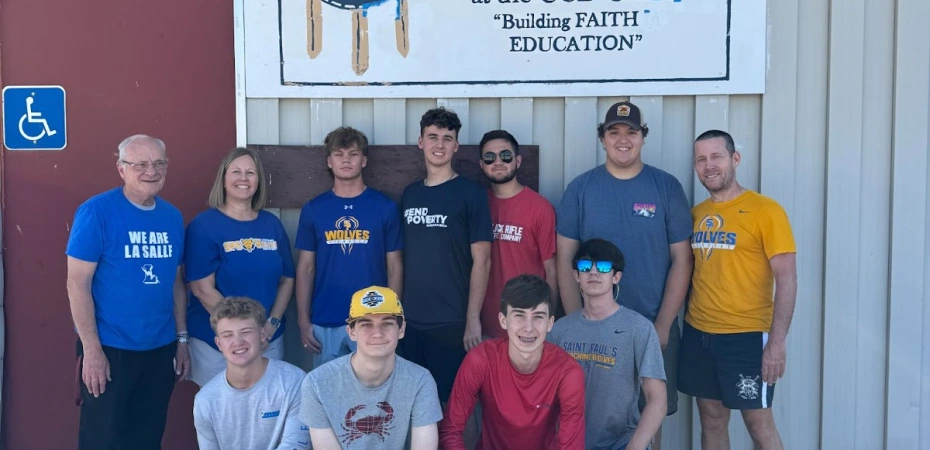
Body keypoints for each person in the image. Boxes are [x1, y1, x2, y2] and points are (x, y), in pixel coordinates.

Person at [555, 101, 692, 445]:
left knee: (651, 415)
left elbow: (683, 260)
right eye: (614, 131)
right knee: (586, 414)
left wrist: (662, 325)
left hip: (651, 323)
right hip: (591, 325)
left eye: (631, 131)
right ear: (602, 138)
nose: (623, 139)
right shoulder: (581, 188)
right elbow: (565, 258)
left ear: (643, 137)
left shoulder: (666, 187)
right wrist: (575, 321)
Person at [66, 134, 191, 449]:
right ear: (121, 169)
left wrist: (182, 340)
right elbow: (77, 283)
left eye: (159, 163)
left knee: (147, 438)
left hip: (159, 348)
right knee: (103, 439)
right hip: (110, 349)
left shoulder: (172, 217)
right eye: (140, 164)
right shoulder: (97, 212)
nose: (151, 170)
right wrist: (92, 351)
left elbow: (177, 283)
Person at [679, 130, 797, 450]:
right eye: (701, 159)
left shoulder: (765, 211)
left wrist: (776, 342)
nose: (709, 165)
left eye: (716, 156)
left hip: (746, 337)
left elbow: (787, 279)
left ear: (735, 159)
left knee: (758, 423)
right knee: (711, 418)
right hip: (699, 333)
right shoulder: (697, 215)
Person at [399, 107, 493, 404]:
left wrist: (472, 318)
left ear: (456, 146)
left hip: (451, 322)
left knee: (452, 407)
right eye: (433, 137)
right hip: (411, 321)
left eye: (446, 138)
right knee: (412, 404)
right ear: (420, 142)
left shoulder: (471, 194)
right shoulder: (410, 194)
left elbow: (483, 260)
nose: (439, 144)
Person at [184, 147, 296, 386]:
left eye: (250, 173)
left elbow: (287, 278)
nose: (243, 178)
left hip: (269, 338)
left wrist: (270, 325)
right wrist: (245, 331)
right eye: (236, 172)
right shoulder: (204, 226)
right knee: (223, 416)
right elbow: (202, 289)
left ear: (258, 182)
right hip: (219, 343)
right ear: (223, 180)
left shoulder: (271, 224)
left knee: (268, 413)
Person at [295, 126, 403, 367]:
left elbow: (395, 267)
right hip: (325, 319)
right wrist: (303, 320)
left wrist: (394, 317)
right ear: (329, 161)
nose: (346, 160)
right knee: (328, 395)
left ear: (363, 161)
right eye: (339, 154)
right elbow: (305, 268)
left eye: (353, 154)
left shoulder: (384, 208)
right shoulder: (314, 209)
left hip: (373, 318)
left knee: (372, 392)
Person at [440, 274, 586, 449]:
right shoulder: (481, 360)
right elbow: (450, 430)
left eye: (538, 316)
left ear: (550, 323)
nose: (528, 327)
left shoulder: (567, 371)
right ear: (503, 320)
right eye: (519, 315)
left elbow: (572, 445)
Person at [549, 238, 667, 450]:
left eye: (603, 267)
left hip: (620, 443)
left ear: (616, 276)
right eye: (585, 266)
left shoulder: (639, 328)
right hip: (569, 443)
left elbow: (657, 399)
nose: (593, 272)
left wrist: (635, 446)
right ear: (576, 275)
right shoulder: (559, 330)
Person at [300, 286, 442, 449]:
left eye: (387, 323)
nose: (377, 333)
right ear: (351, 332)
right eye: (366, 324)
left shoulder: (420, 380)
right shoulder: (317, 383)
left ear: (401, 329)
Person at [194, 297, 310, 450]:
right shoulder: (205, 399)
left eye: (246, 332)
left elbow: (297, 445)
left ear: (262, 335)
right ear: (218, 343)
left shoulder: (295, 382)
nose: (238, 341)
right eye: (228, 335)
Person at [477, 130, 557, 338]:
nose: (498, 162)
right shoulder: (477, 206)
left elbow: (551, 270)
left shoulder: (540, 208)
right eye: (489, 157)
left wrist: (548, 320)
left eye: (505, 156)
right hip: (485, 325)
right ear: (481, 164)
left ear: (518, 160)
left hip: (527, 326)